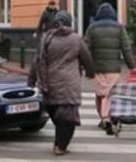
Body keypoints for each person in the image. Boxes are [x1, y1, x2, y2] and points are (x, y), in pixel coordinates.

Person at [28, 11, 95, 156]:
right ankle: (60, 146)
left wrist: (31, 80)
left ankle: (58, 144)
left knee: (58, 116)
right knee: (68, 119)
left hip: (48, 85)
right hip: (69, 86)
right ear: (70, 22)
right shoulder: (76, 39)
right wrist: (90, 73)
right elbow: (87, 59)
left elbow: (36, 61)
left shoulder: (46, 39)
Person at [84, 3, 136, 134]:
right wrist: (132, 66)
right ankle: (108, 118)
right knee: (111, 94)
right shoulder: (119, 28)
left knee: (100, 94)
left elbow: (85, 50)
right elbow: (126, 48)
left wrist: (86, 67)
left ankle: (104, 118)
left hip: (97, 68)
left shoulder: (91, 28)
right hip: (114, 68)